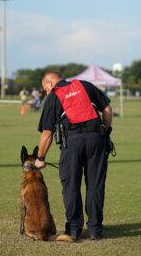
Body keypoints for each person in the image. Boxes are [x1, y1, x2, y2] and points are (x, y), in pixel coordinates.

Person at [34, 72, 113, 241]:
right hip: (96, 139)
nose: (46, 92)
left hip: (72, 143)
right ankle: (95, 230)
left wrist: (40, 158)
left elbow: (47, 133)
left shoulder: (53, 97)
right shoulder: (85, 85)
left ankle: (74, 229)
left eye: (45, 89)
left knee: (71, 186)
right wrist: (106, 132)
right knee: (95, 185)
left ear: (49, 83)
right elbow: (107, 108)